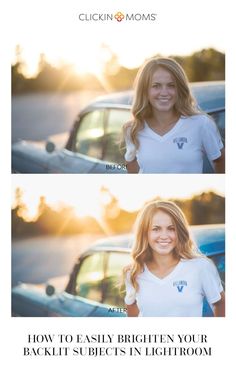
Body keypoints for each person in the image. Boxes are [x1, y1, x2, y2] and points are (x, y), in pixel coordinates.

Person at [123, 57, 225, 173]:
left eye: (171, 85)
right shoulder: (133, 128)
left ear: (179, 89)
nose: (164, 93)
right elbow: (130, 163)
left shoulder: (201, 124)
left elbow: (220, 160)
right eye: (156, 86)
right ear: (144, 90)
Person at [124, 200, 225, 317]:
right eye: (156, 229)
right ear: (144, 233)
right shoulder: (133, 272)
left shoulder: (201, 266)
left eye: (171, 229)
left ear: (179, 232)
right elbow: (131, 306)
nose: (164, 236)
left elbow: (220, 303)